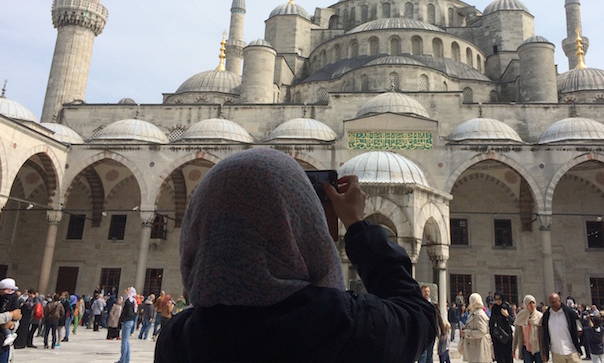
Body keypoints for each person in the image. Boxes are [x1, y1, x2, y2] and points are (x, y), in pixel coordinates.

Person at [155, 147, 436, 362]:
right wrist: (357, 226)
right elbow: (418, 316)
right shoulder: (340, 326)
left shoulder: (178, 339)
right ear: (301, 228)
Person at [541, 292, 582, 363]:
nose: (552, 305)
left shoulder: (570, 313)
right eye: (550, 303)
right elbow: (545, 334)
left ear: (559, 301)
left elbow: (579, 330)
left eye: (554, 302)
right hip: (556, 353)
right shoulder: (547, 315)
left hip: (572, 351)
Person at [459, 292, 492, 363]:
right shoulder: (474, 313)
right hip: (475, 348)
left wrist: (467, 333)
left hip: (479, 349)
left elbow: (482, 331)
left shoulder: (479, 315)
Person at [513, 294, 543, 363]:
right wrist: (513, 348)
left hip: (538, 348)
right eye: (529, 303)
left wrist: (545, 352)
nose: (532, 305)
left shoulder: (540, 316)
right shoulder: (521, 316)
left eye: (533, 303)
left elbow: (543, 335)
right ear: (526, 305)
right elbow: (517, 334)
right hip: (526, 348)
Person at [418, 285, 443, 363]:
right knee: (422, 355)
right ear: (421, 292)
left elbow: (439, 318)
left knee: (429, 355)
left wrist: (443, 331)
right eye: (425, 291)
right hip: (422, 333)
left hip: (431, 333)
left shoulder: (434, 305)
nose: (427, 293)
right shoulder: (418, 304)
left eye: (428, 291)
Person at [489, 291, 514, 363]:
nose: (498, 301)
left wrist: (507, 315)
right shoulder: (494, 308)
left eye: (499, 299)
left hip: (507, 336)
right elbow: (491, 322)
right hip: (497, 336)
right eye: (496, 299)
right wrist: (491, 335)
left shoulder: (507, 306)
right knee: (499, 358)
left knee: (508, 357)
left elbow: (513, 321)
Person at [118, 287, 138, 363]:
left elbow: (128, 312)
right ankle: (126, 359)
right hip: (130, 321)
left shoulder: (128, 301)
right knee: (126, 342)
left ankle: (123, 360)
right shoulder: (133, 301)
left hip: (127, 321)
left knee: (124, 342)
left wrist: (122, 319)